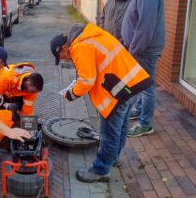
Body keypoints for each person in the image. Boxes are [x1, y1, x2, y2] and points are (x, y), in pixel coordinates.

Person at [50, 23, 153, 183]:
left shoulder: (79, 46)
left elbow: (87, 80)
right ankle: (113, 158)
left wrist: (70, 94)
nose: (66, 59)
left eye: (62, 56)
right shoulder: (89, 37)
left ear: (65, 46)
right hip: (132, 84)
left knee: (109, 134)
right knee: (120, 127)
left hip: (119, 92)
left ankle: (101, 170)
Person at [115, 0, 166, 137]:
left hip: (145, 50)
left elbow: (145, 26)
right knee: (141, 84)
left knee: (146, 87)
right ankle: (139, 109)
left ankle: (145, 123)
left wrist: (133, 51)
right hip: (142, 49)